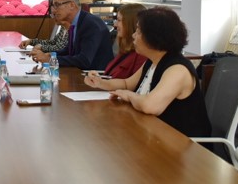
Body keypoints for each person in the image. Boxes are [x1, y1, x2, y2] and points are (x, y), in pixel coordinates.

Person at [84, 7, 211, 137]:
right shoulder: (152, 61)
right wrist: (100, 82)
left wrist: (129, 96)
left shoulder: (178, 69)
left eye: (138, 32)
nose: (133, 35)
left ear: (154, 37)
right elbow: (127, 84)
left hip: (181, 143)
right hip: (155, 134)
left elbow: (150, 106)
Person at [30, 0, 114, 70]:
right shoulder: (76, 22)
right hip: (80, 72)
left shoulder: (90, 24)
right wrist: (50, 55)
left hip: (94, 75)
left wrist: (50, 60)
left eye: (57, 5)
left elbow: (84, 60)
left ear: (72, 5)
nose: (54, 10)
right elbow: (69, 51)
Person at [103, 3, 148, 79]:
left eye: (119, 20)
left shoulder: (142, 56)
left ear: (130, 23)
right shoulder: (126, 51)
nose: (115, 25)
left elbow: (133, 84)